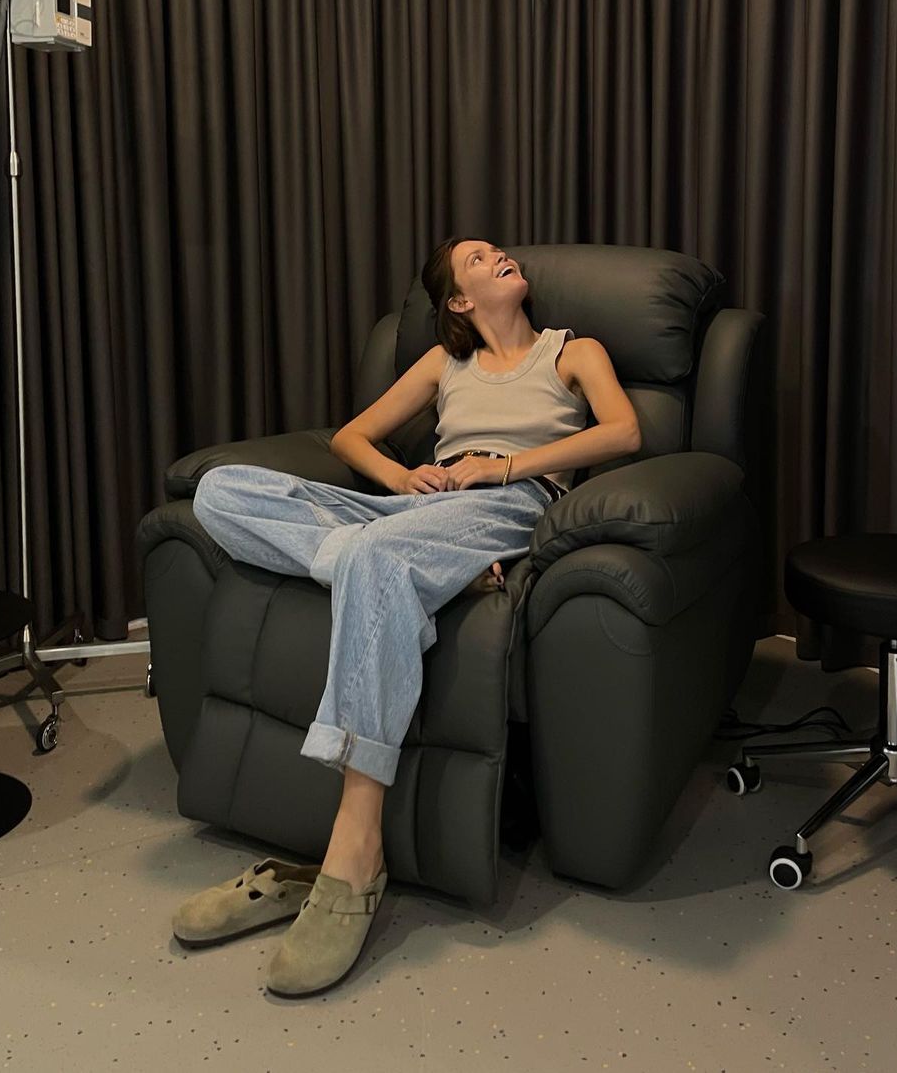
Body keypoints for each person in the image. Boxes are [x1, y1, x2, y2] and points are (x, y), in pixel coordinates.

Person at [175, 237, 641, 996]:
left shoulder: (571, 352)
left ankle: (354, 853)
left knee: (374, 555)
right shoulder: (443, 364)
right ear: (458, 301)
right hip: (412, 513)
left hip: (508, 502)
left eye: (497, 252)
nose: (499, 256)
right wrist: (400, 477)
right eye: (478, 259)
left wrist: (500, 465)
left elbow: (623, 431)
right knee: (220, 492)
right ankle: (430, 571)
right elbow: (349, 437)